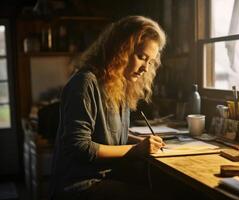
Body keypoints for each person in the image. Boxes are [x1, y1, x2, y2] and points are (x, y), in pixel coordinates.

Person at [50, 15, 166, 200]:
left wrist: (139, 140)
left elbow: (110, 134)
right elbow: (80, 147)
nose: (146, 67)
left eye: (150, 61)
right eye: (141, 57)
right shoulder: (85, 83)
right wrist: (137, 150)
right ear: (121, 50)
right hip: (79, 186)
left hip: (105, 176)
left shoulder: (121, 84)